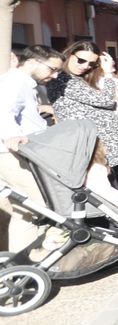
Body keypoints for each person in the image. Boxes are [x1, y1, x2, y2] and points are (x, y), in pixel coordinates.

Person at [0, 46, 60, 252]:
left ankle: (24, 261)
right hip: (11, 153)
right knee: (35, 205)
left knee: (26, 209)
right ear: (33, 62)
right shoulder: (15, 82)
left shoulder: (24, 83)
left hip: (16, 152)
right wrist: (11, 136)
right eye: (52, 69)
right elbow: (4, 108)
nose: (54, 75)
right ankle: (26, 261)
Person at [48, 42, 118, 187]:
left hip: (95, 142)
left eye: (91, 63)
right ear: (69, 55)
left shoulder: (77, 79)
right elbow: (106, 101)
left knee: (107, 183)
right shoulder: (63, 79)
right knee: (101, 184)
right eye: (81, 60)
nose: (85, 66)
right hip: (85, 142)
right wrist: (109, 73)